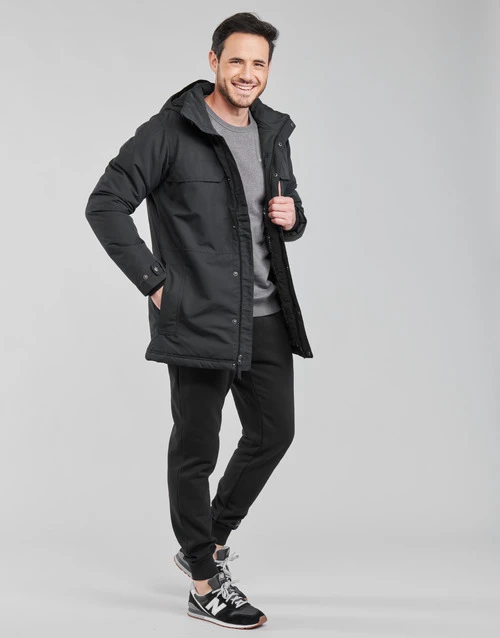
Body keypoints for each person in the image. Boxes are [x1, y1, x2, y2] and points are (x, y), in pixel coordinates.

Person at [85, 11, 313, 630]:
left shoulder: (273, 131)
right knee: (196, 449)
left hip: (266, 313)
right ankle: (205, 583)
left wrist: (294, 216)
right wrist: (155, 282)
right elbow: (105, 203)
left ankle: (205, 541)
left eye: (259, 63)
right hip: (199, 316)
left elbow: (272, 213)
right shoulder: (171, 130)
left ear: (269, 69)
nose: (247, 73)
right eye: (236, 60)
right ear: (213, 61)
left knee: (274, 433)